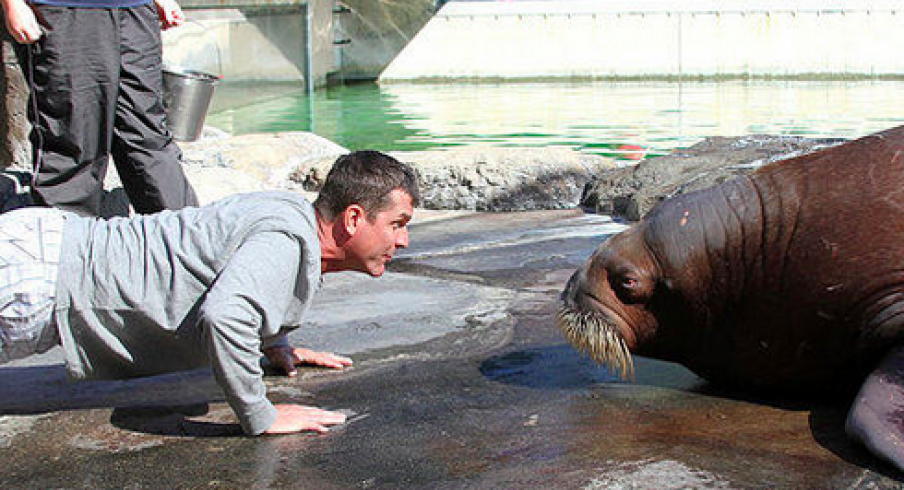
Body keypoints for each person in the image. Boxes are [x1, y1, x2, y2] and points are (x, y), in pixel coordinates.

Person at [0, 150, 420, 435]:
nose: (402, 241)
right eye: (397, 224)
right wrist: (262, 414)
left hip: (42, 252)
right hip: (36, 280)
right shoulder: (286, 239)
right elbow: (226, 316)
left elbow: (230, 271)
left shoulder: (289, 213)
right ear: (352, 218)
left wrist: (274, 343)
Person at [1, 0, 198, 216]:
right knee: (74, 140)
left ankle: (190, 238)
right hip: (64, 11)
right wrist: (13, 4)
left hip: (135, 11)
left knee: (148, 138)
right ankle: (66, 243)